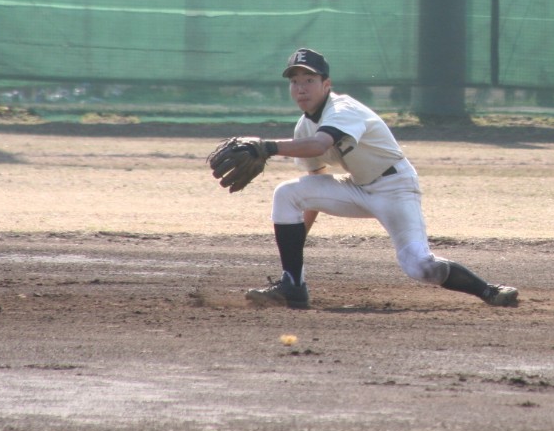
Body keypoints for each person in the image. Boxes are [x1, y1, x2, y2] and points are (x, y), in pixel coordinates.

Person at [213, 48, 519, 310]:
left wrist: (266, 147)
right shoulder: (303, 127)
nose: (301, 88)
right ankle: (293, 285)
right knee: (286, 193)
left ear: (326, 84)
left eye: (309, 80)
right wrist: (296, 239)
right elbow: (315, 177)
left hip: (395, 187)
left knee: (420, 267)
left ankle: (489, 291)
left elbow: (319, 145)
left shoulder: (343, 109)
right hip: (357, 187)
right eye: (294, 81)